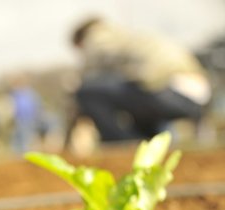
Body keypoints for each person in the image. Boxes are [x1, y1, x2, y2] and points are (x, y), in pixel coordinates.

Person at [70, 17, 211, 142]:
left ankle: (123, 145)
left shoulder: (97, 38)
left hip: (168, 90)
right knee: (131, 95)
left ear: (81, 40)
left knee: (87, 92)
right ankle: (150, 141)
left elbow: (87, 77)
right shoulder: (125, 36)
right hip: (198, 97)